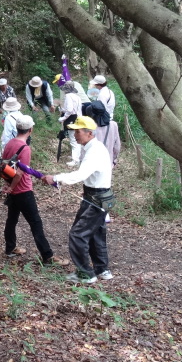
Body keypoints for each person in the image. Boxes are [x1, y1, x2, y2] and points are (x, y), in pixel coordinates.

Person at [42, 116, 114, 284]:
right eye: (74, 130)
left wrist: (57, 178)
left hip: (96, 198)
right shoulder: (92, 147)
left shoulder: (94, 151)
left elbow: (81, 175)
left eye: (78, 131)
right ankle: (102, 269)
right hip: (97, 196)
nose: (74, 134)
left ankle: (85, 274)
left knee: (78, 234)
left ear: (89, 133)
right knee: (96, 232)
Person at [1, 116, 68, 266]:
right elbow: (19, 172)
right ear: (30, 130)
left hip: (13, 190)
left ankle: (10, 248)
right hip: (23, 191)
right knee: (35, 223)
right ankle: (48, 256)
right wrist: (12, 187)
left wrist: (8, 185)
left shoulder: (9, 143)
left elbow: (4, 166)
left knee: (12, 220)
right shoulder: (24, 148)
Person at [58, 82, 83, 167]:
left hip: (72, 119)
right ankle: (76, 156)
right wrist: (62, 109)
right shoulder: (77, 96)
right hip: (79, 118)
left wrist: (63, 118)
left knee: (73, 139)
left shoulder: (68, 96)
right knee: (78, 139)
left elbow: (69, 109)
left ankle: (75, 160)